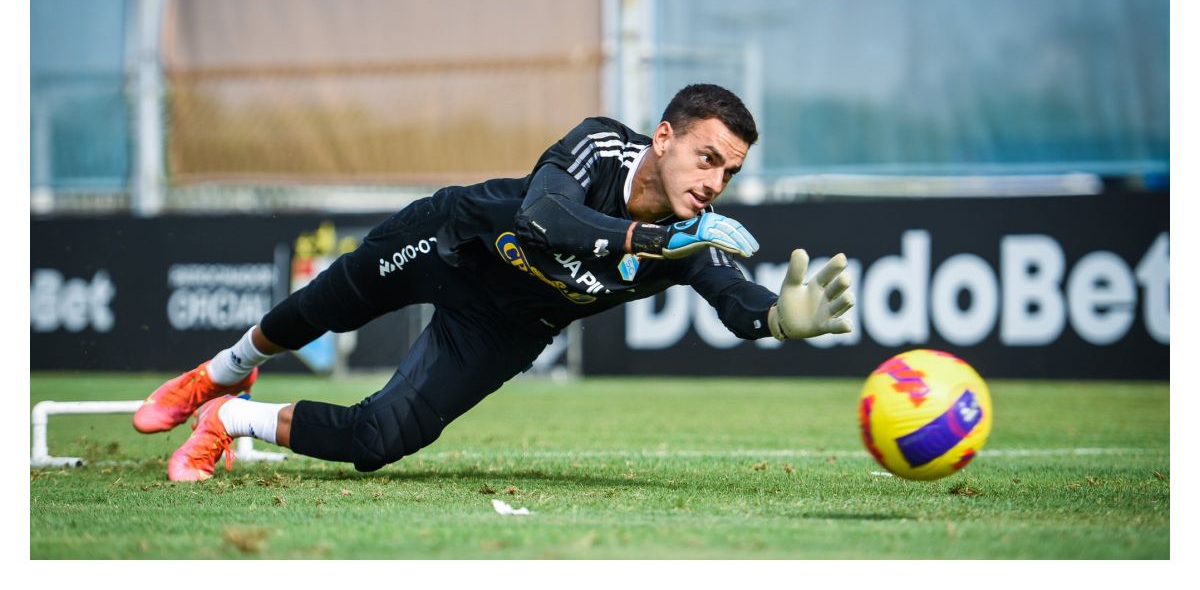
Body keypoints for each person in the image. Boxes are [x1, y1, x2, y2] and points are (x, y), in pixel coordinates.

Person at [132, 83, 855, 481]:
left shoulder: (693, 239)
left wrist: (777, 320)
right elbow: (543, 213)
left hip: (505, 326)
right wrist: (643, 237)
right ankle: (220, 373)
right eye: (706, 158)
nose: (715, 181)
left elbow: (735, 301)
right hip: (453, 242)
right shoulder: (603, 143)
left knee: (381, 440)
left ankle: (227, 421)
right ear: (663, 137)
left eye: (729, 171)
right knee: (323, 308)